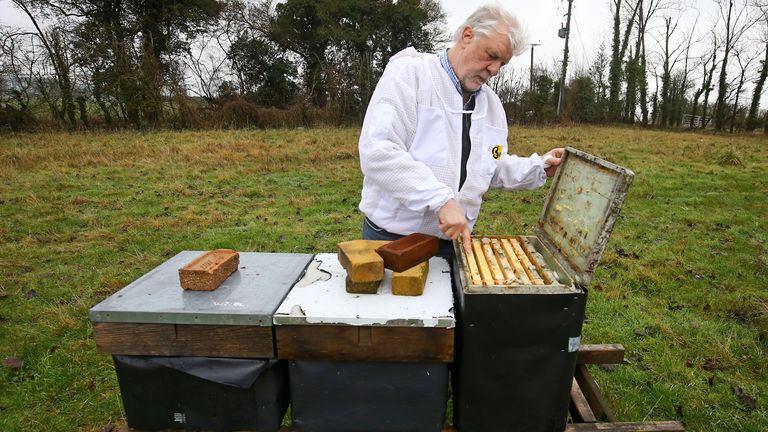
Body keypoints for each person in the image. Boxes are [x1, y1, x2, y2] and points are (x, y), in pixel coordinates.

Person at [358, 4, 563, 260]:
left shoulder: (492, 106)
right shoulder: (410, 74)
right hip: (394, 241)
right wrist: (441, 200)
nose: (495, 70)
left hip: (455, 244)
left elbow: (492, 165)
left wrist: (538, 167)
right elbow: (378, 151)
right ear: (467, 35)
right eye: (492, 55)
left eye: (503, 63)